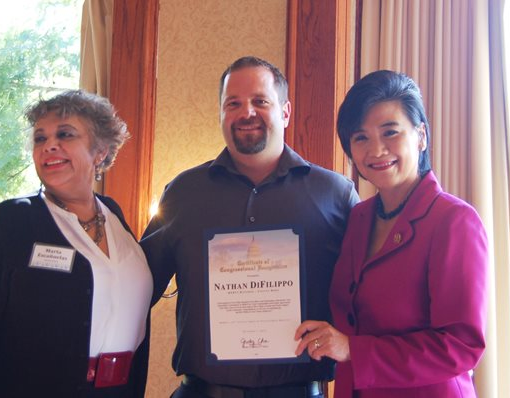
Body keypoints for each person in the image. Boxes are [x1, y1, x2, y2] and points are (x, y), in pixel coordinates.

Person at [140, 56, 359, 398]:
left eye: (260, 101)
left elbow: (368, 297)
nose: (247, 113)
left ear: (285, 111)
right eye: (233, 104)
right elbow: (137, 287)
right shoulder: (182, 193)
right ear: (220, 114)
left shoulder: (335, 194)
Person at [294, 70, 488, 398]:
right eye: (361, 138)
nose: (377, 150)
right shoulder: (358, 217)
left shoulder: (454, 221)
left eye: (390, 132)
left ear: (421, 135)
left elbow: (460, 345)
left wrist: (353, 350)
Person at [0, 90, 153, 398]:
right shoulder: (11, 221)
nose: (49, 145)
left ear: (100, 151)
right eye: (40, 138)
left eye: (65, 134)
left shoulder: (116, 217)